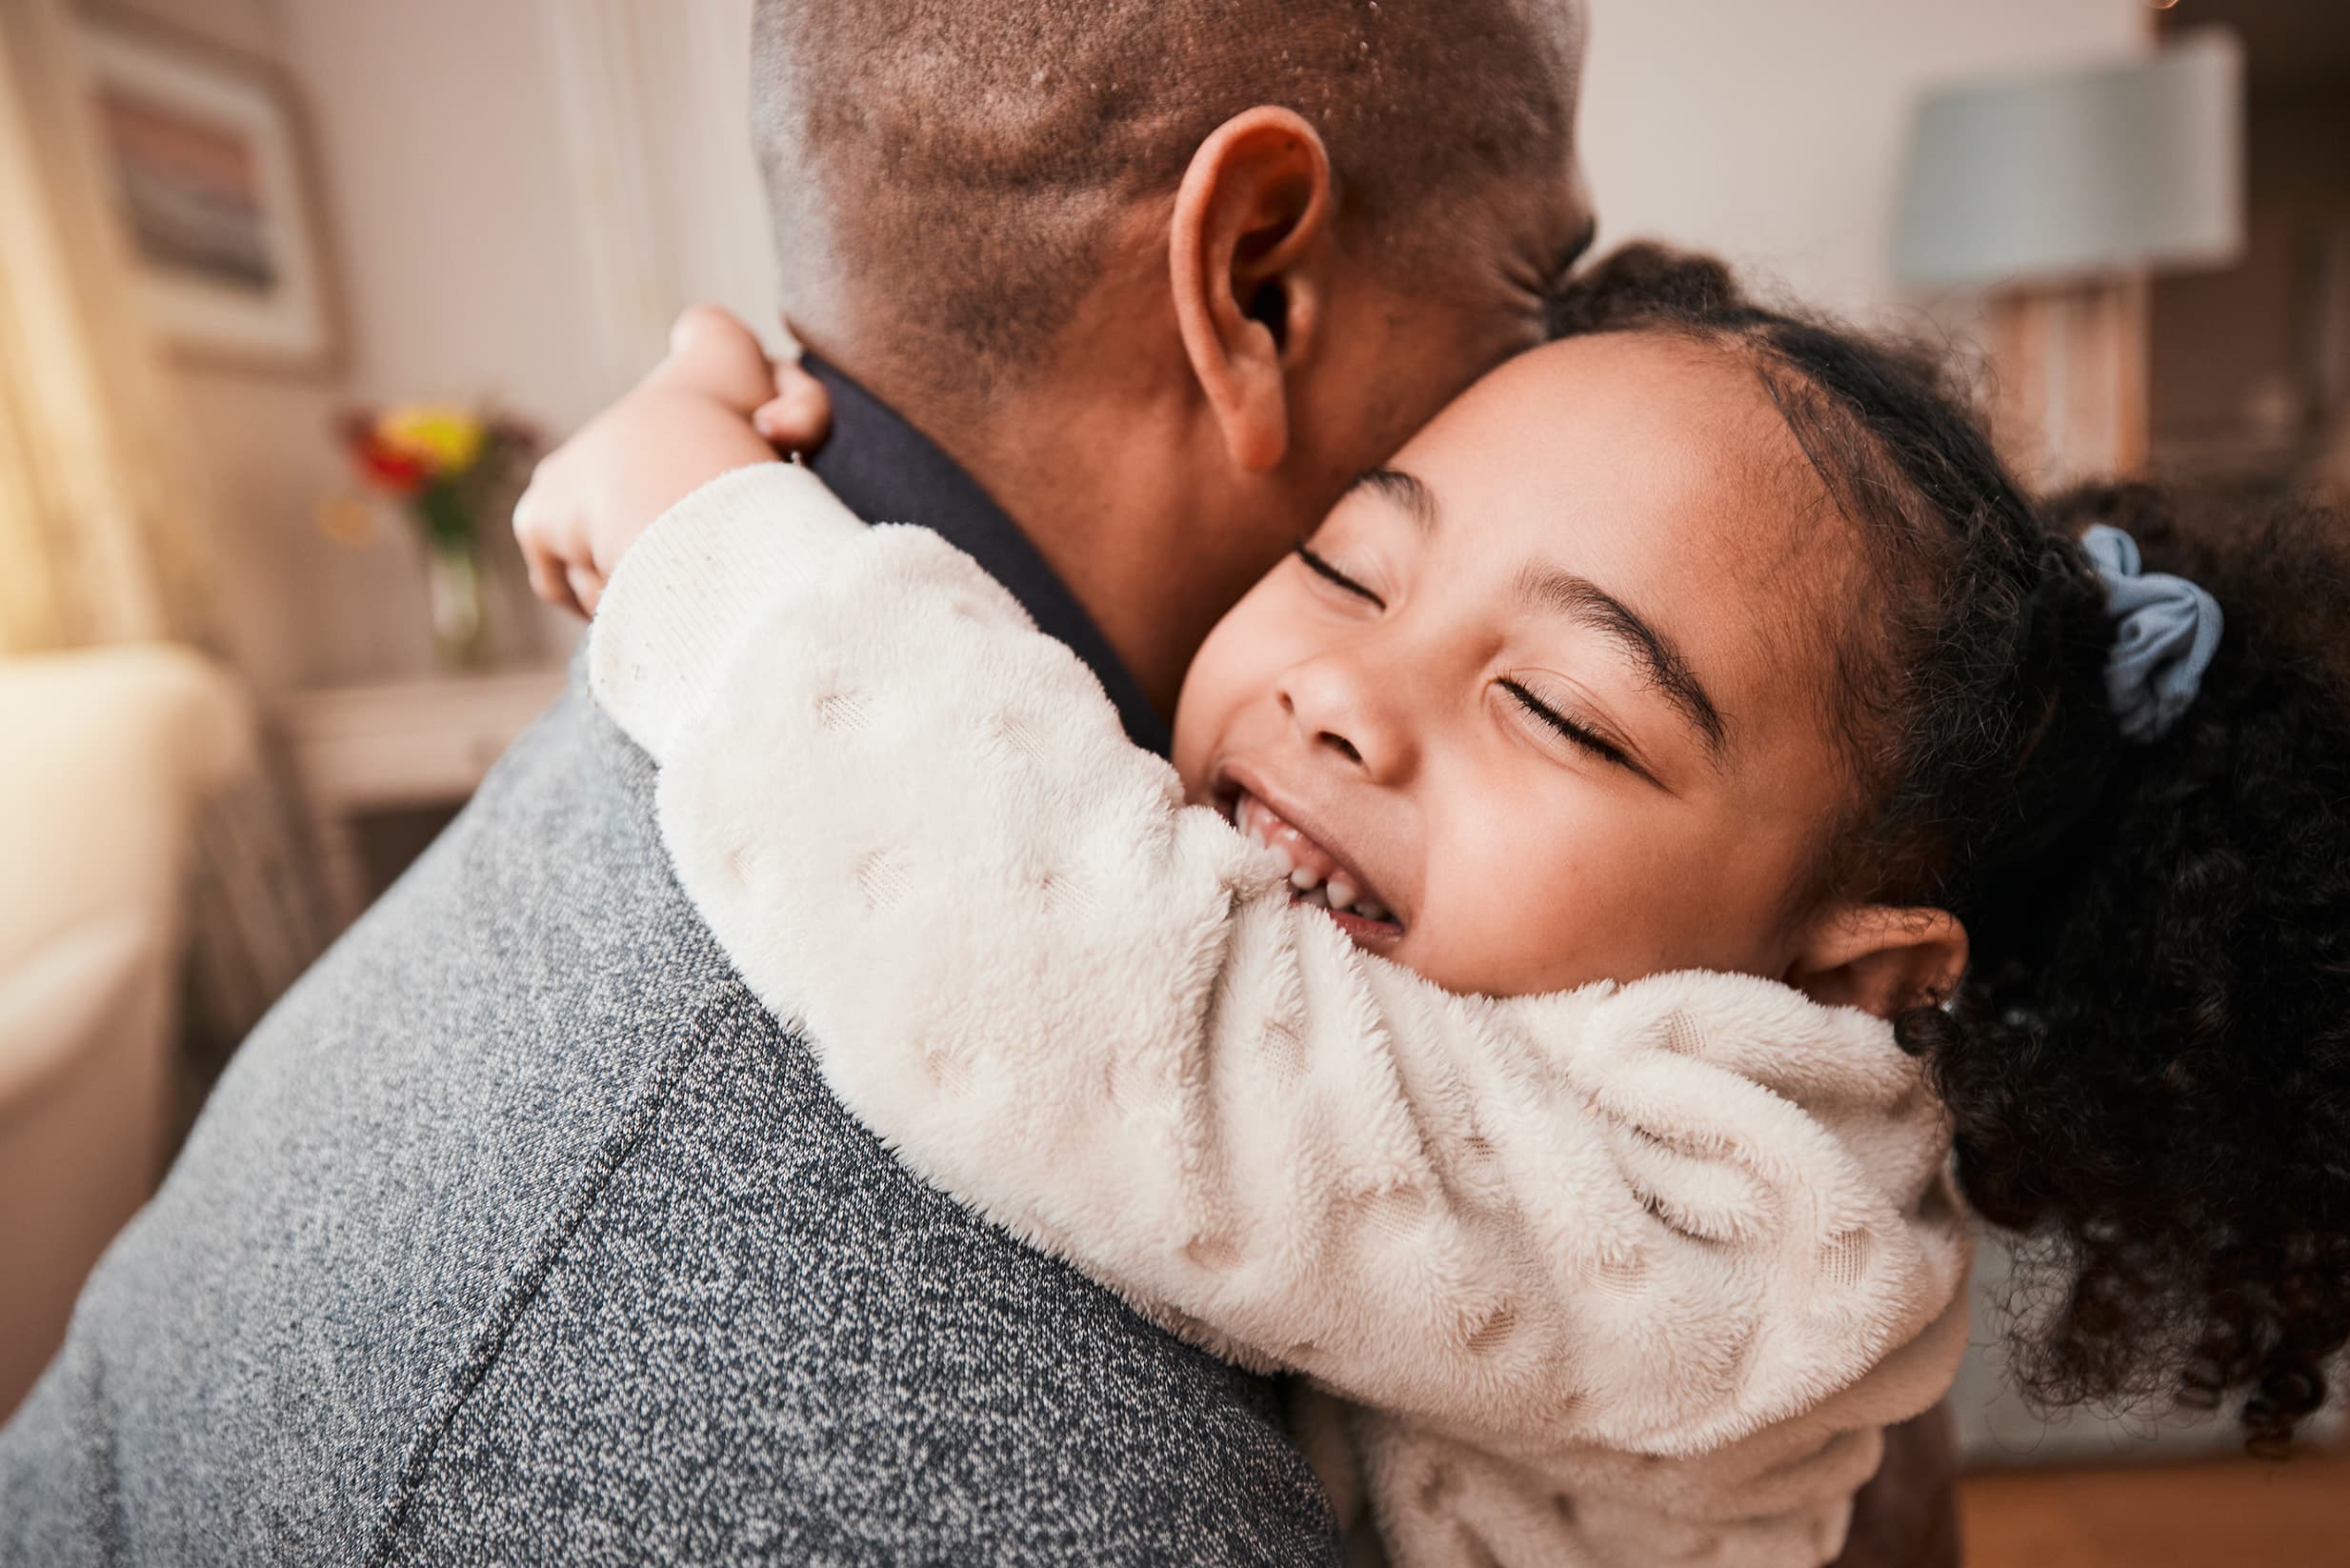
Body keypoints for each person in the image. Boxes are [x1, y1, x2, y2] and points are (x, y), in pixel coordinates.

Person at [1, 3, 1598, 1563]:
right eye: (1543, 283)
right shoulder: (1040, 1472)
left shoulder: (682, 680)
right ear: (1253, 286)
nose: (1568, 373)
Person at [526, 245, 2350, 1563]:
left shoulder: (1752, 1228)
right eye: (1343, 559)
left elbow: (1088, 980)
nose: (1342, 693)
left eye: (1558, 706)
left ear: (1847, 974)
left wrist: (707, 525)